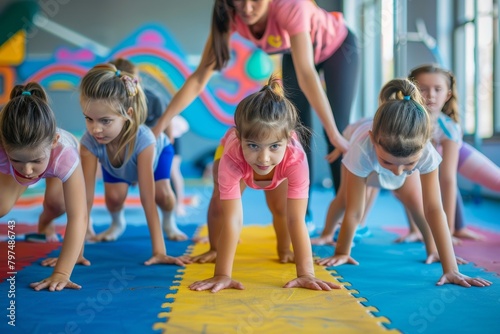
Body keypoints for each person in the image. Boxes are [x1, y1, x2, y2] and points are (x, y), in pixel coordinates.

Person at [152, 0, 360, 228]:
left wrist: (332, 133)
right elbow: (200, 77)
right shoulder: (231, 13)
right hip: (294, 51)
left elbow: (307, 75)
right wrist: (161, 124)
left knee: (338, 133)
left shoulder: (291, 6)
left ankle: (348, 216)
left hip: (338, 48)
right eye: (239, 1)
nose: (247, 8)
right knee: (296, 133)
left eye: (255, 1)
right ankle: (303, 216)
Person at [315, 78, 491, 288]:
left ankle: (432, 249)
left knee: (416, 202)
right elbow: (354, 211)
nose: (397, 171)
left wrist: (450, 268)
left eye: (408, 165)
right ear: (373, 139)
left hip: (383, 154)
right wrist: (342, 252)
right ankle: (326, 233)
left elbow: (434, 209)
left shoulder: (426, 153)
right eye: (388, 162)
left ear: (424, 145)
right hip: (354, 144)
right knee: (345, 199)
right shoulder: (362, 147)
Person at [189, 74, 340, 293]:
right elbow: (233, 218)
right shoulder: (232, 158)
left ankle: (283, 249)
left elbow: (296, 218)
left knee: (280, 208)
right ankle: (214, 247)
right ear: (239, 137)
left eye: (274, 147)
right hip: (234, 161)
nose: (264, 158)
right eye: (253, 145)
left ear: (288, 139)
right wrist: (222, 274)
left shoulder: (295, 159)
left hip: (280, 166)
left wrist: (306, 274)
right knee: (220, 207)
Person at [78, 63, 189, 266]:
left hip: (157, 154)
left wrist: (159, 251)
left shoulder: (144, 139)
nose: (96, 129)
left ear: (128, 113)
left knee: (162, 195)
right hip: (118, 164)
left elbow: (147, 198)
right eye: (89, 119)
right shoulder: (89, 142)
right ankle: (118, 223)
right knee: (113, 198)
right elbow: (85, 197)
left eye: (105, 121)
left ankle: (169, 221)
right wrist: (77, 248)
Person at [0, 82, 88, 291]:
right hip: (10, 169)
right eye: (19, 160)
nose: (28, 170)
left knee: (57, 205)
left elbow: (79, 216)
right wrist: (19, 164)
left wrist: (62, 272)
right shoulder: (5, 150)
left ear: (54, 141)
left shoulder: (64, 155)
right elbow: (26, 165)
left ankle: (45, 221)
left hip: (54, 166)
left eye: (35, 161)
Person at [395, 64, 497, 243]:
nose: (431, 95)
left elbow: (448, 180)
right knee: (407, 176)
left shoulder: (448, 127)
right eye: (423, 89)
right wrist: (414, 230)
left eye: (438, 89)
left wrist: (446, 232)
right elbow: (408, 179)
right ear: (411, 91)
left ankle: (457, 228)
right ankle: (419, 229)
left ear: (448, 94)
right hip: (427, 157)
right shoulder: (405, 123)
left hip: (457, 151)